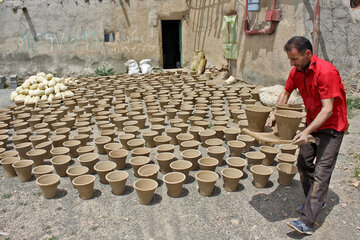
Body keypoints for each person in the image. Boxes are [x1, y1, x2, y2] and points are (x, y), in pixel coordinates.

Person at [266, 36, 348, 235]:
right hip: (312, 122)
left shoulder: (326, 71)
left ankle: (307, 222)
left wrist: (306, 131)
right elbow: (286, 93)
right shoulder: (297, 72)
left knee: (322, 173)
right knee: (303, 163)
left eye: (295, 59)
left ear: (308, 54)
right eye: (290, 60)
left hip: (331, 126)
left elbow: (328, 109)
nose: (292, 64)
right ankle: (313, 201)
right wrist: (275, 112)